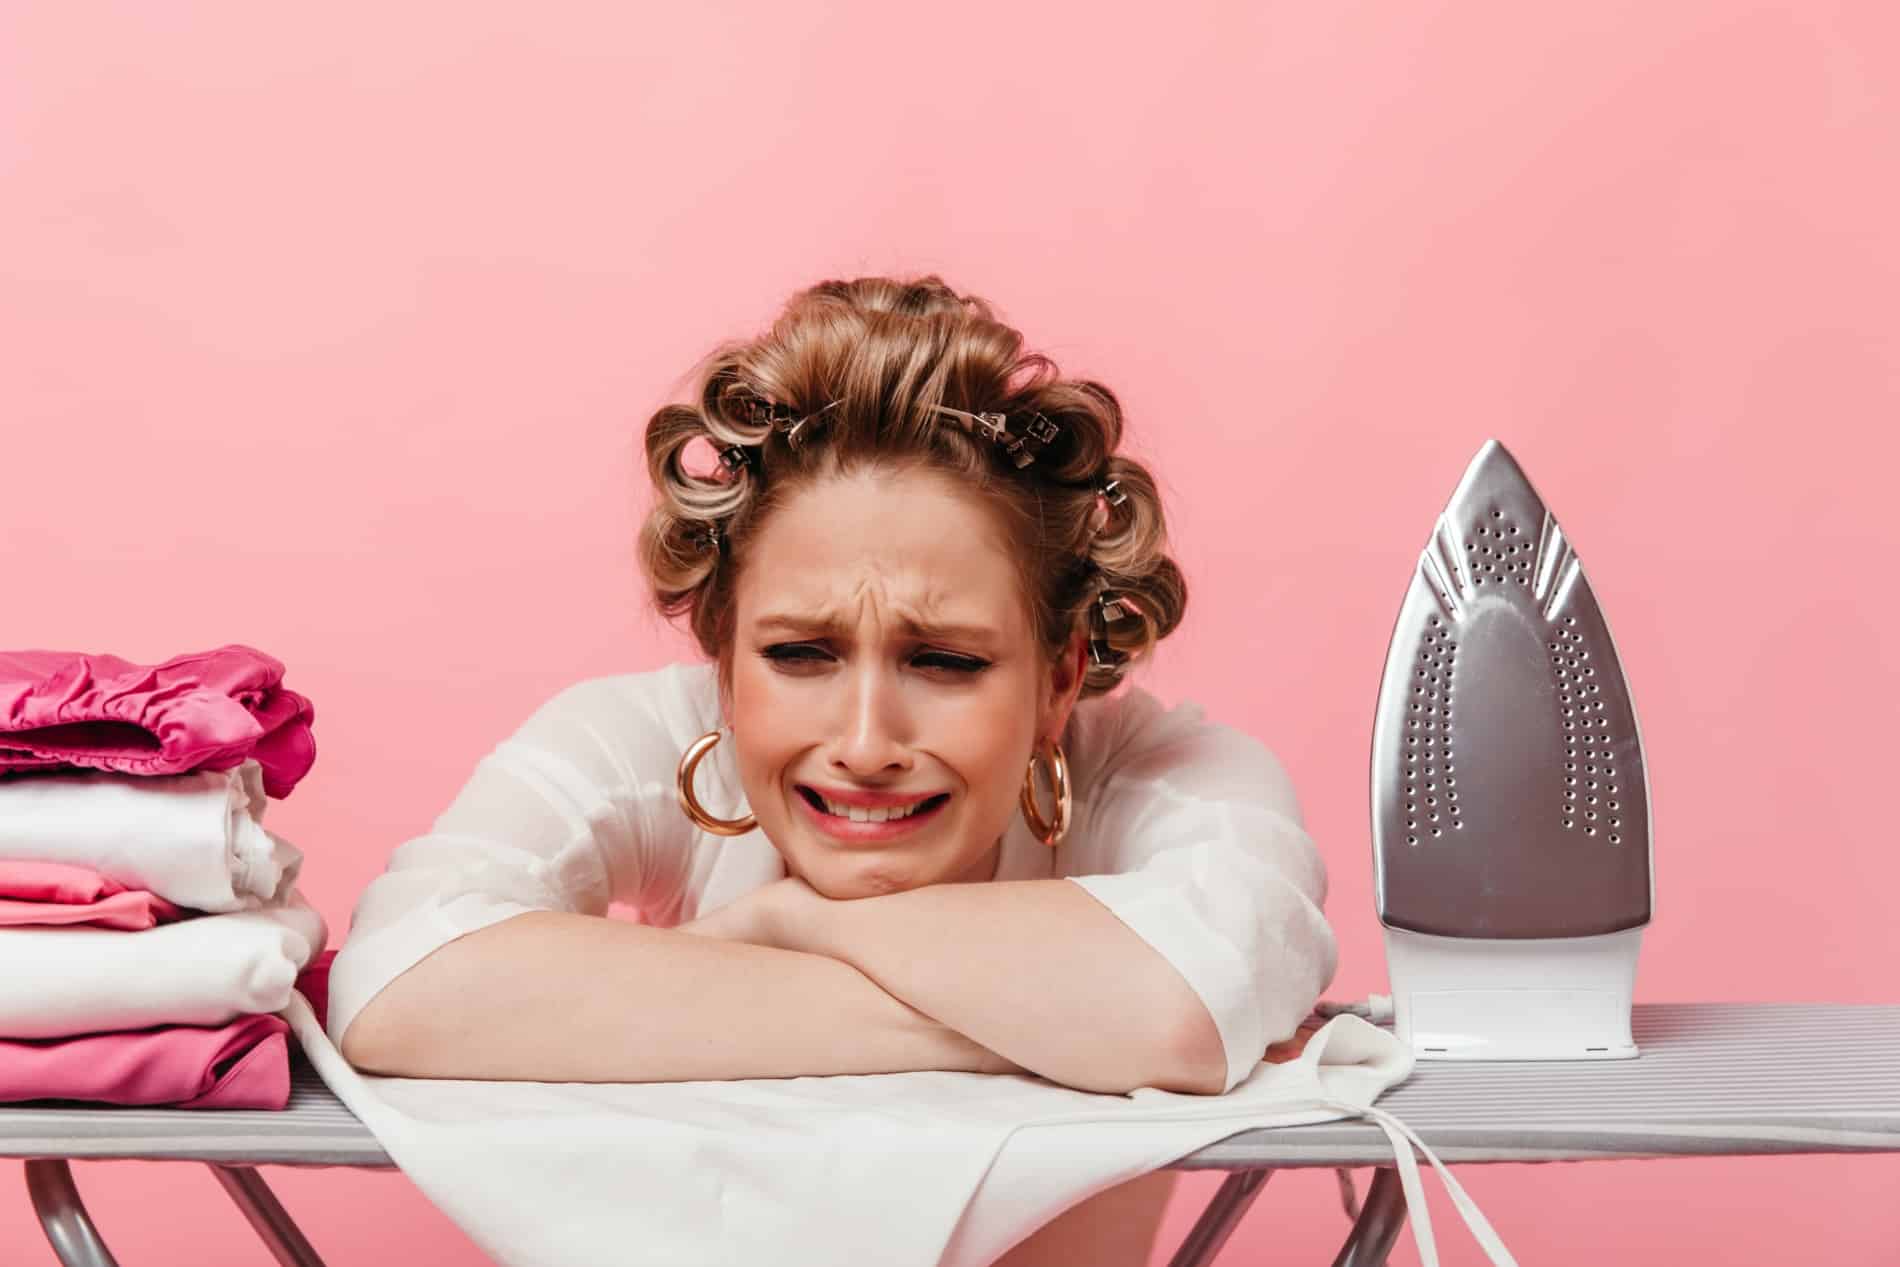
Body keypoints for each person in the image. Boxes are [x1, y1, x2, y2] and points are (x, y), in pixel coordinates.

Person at [323, 274, 1339, 1267]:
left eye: (945, 660)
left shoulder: (1165, 767)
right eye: (800, 654)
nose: (863, 742)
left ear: (1060, 676)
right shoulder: (627, 740)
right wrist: (1043, 1031)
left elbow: (1189, 1004)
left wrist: (795, 921)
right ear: (719, 654)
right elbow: (399, 981)